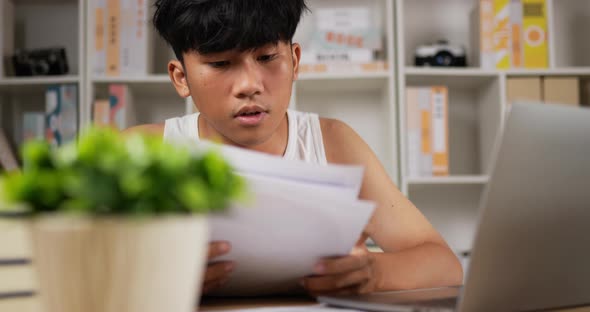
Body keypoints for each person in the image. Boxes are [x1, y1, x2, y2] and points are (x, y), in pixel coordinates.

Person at [124, 0, 463, 296]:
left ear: (295, 60)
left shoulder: (333, 143)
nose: (250, 85)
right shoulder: (142, 154)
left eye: (267, 57)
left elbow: (444, 265)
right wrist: (155, 276)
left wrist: (372, 273)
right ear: (181, 77)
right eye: (221, 64)